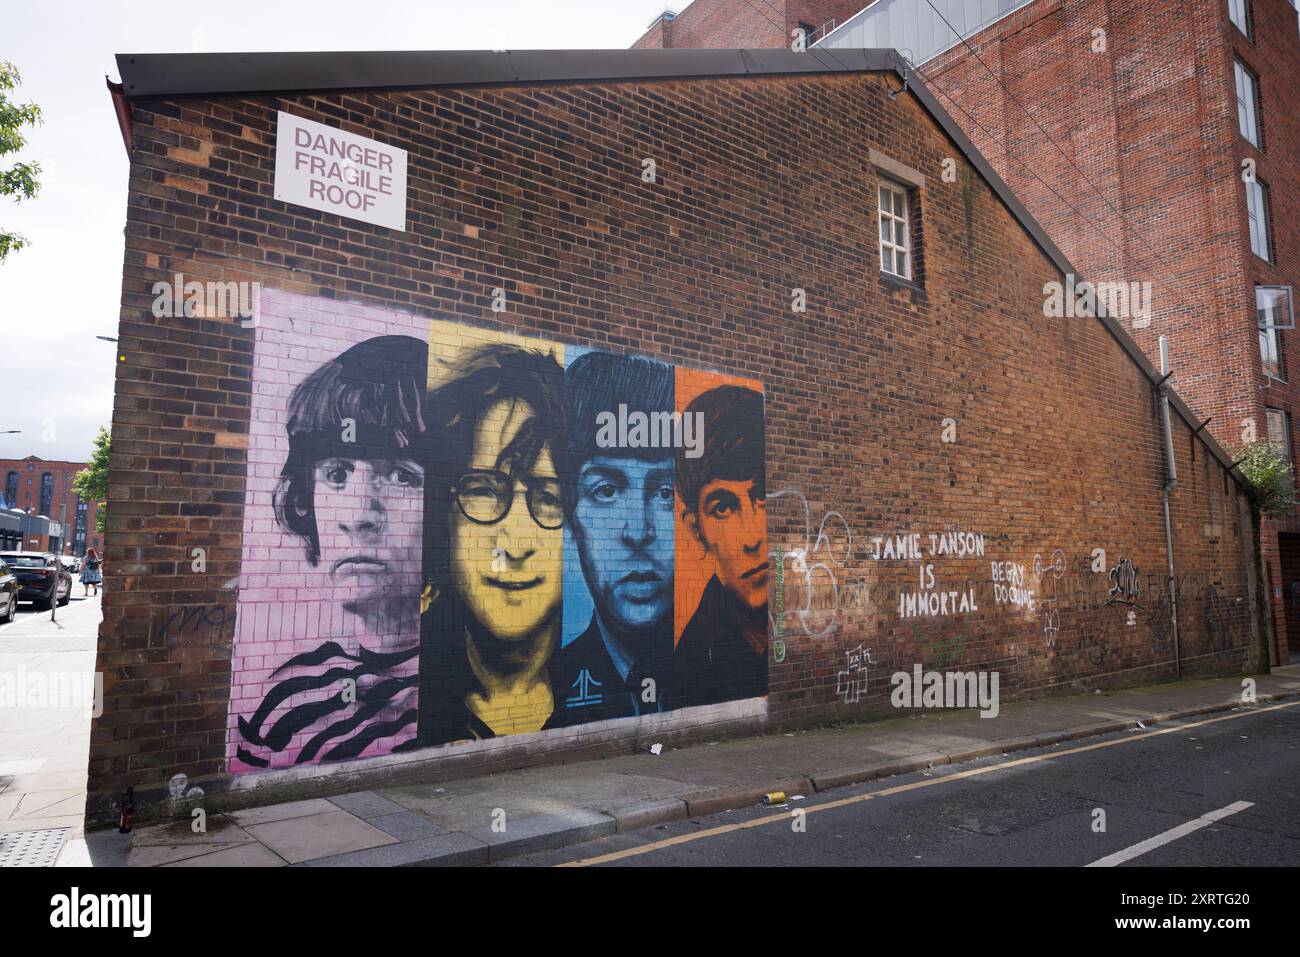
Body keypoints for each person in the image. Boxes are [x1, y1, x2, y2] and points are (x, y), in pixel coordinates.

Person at [234, 335, 429, 769]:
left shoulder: (475, 693)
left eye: (401, 476)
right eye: (336, 474)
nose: (358, 515)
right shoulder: (288, 699)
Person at [419, 344, 567, 744]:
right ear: (442, 517)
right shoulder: (400, 693)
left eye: (550, 497)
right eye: (483, 490)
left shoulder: (612, 689)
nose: (515, 543)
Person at [546, 351, 675, 726]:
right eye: (605, 490)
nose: (638, 532)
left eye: (666, 492)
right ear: (569, 514)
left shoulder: (721, 669)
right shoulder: (547, 695)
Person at [673, 385, 769, 708]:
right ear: (696, 530)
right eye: (723, 508)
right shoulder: (692, 663)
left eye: (763, 497)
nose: (752, 537)